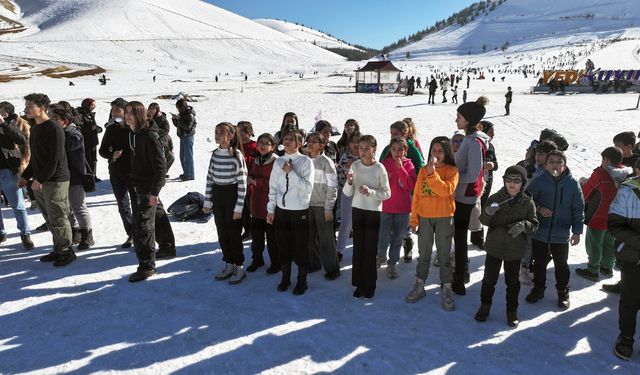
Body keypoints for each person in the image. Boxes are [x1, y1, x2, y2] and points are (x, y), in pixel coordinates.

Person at [475, 165, 539, 327]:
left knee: (512, 282)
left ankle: (512, 311)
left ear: (523, 183)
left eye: (516, 181)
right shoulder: (495, 198)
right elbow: (483, 221)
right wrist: (488, 212)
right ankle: (485, 305)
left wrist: (524, 225)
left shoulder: (527, 203)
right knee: (489, 279)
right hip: (494, 247)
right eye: (508, 180)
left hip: (514, 250)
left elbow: (534, 224)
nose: (512, 184)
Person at [19, 93, 75, 266]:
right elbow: (37, 158)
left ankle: (67, 251)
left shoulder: (54, 128)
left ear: (41, 108)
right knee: (50, 217)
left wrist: (40, 179)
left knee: (58, 217)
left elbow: (55, 158)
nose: (26, 108)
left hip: (56, 180)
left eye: (30, 106)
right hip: (41, 180)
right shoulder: (35, 128)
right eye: (26, 105)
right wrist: (25, 176)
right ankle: (58, 248)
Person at [525, 150, 584, 309]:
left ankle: (563, 291)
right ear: (546, 165)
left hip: (561, 232)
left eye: (559, 162)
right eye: (551, 161)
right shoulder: (540, 181)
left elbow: (578, 208)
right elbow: (527, 199)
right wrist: (540, 208)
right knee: (539, 263)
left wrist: (577, 231)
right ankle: (538, 288)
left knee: (561, 264)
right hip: (541, 231)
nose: (555, 165)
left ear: (565, 165)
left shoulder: (572, 184)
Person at [125, 101, 175, 282]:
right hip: (139, 183)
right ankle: (168, 246)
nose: (127, 116)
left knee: (143, 226)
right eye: (126, 112)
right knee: (158, 216)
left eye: (131, 112)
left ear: (140, 114)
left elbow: (161, 167)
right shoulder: (134, 133)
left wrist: (154, 192)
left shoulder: (149, 136)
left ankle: (146, 266)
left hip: (147, 188)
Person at [406, 136, 458, 308]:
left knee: (444, 255)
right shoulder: (423, 170)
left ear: (447, 153)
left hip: (444, 217)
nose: (436, 154)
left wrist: (432, 174)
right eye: (434, 151)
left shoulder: (452, 170)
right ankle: (420, 284)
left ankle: (447, 288)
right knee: (424, 254)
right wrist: (414, 219)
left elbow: (446, 191)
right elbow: (417, 196)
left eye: (440, 151)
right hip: (425, 218)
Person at [267, 129, 314, 295]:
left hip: (299, 211)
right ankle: (285, 278)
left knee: (300, 248)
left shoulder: (306, 161)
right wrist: (271, 210)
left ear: (299, 143)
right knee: (283, 246)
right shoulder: (278, 161)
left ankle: (302, 281)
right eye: (285, 138)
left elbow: (308, 188)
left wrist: (291, 173)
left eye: (291, 139)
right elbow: (273, 187)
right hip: (281, 211)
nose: (286, 141)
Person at [344, 135, 391, 299]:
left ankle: (369, 285)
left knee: (370, 250)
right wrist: (349, 182)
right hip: (357, 210)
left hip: (373, 212)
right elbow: (347, 192)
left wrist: (371, 192)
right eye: (360, 148)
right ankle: (358, 284)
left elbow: (387, 193)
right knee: (358, 249)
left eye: (366, 148)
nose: (363, 152)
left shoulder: (379, 168)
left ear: (374, 149)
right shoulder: (355, 166)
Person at [575, 147, 631, 281]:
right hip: (616, 217)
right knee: (609, 243)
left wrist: (582, 184)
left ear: (606, 160)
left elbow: (587, 192)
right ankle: (607, 267)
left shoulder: (600, 174)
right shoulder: (625, 173)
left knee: (594, 243)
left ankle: (592, 269)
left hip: (598, 216)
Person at [452, 101, 489, 295]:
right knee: (458, 236)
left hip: (465, 195)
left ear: (468, 120)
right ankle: (460, 270)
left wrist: (452, 179)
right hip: (461, 193)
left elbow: (473, 174)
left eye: (459, 116)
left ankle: (459, 277)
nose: (456, 119)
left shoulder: (474, 142)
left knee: (459, 236)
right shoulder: (469, 138)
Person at [203, 122, 247, 284]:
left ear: (230, 136)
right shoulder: (215, 155)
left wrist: (239, 207)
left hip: (232, 194)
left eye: (221, 132)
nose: (217, 135)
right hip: (217, 194)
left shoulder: (236, 155)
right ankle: (228, 263)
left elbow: (242, 182)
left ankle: (239, 266)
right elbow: (209, 179)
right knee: (222, 232)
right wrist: (207, 201)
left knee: (233, 233)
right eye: (216, 132)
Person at [49, 107, 94, 250]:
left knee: (78, 207)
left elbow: (65, 148)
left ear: (65, 121)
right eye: (51, 117)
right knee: (65, 209)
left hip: (75, 177)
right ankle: (75, 232)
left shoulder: (74, 134)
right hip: (61, 178)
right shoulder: (58, 133)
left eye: (55, 118)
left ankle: (87, 235)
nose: (52, 120)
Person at [609, 159, 640, 360]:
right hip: (633, 256)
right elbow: (615, 226)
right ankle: (626, 337)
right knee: (631, 298)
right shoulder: (627, 192)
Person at [377, 137, 416, 278]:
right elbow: (377, 183)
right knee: (383, 236)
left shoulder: (409, 166)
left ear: (405, 151)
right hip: (385, 207)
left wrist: (401, 170)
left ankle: (392, 263)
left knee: (397, 238)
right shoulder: (384, 164)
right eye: (394, 149)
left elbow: (411, 186)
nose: (397, 152)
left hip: (402, 209)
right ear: (390, 150)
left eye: (400, 149)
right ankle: (380, 256)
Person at [99, 98, 135, 248]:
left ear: (126, 111)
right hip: (116, 171)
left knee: (138, 205)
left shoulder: (134, 129)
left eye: (117, 110)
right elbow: (102, 150)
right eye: (112, 110)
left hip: (134, 172)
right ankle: (131, 234)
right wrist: (111, 154)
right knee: (123, 205)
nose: (114, 114)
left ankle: (142, 234)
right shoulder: (111, 129)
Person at [306, 132, 340, 280]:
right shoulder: (305, 161)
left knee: (326, 238)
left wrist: (328, 207)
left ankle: (332, 268)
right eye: (309, 141)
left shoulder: (326, 162)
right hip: (307, 205)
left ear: (321, 145)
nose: (310, 144)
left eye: (314, 142)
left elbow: (333, 187)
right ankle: (314, 262)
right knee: (308, 237)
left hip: (322, 206)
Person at [0, 101, 34, 249]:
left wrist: (3, 124)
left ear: (6, 114)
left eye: (1, 112)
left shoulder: (10, 124)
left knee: (18, 205)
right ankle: (1, 233)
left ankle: (25, 234)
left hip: (7, 170)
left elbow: (20, 139)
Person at [247, 133, 279, 273]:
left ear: (272, 146)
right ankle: (257, 259)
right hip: (257, 203)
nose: (262, 145)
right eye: (260, 142)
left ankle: (276, 263)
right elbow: (251, 175)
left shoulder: (276, 161)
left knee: (272, 239)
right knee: (257, 237)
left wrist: (257, 182)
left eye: (266, 143)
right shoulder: (255, 159)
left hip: (270, 205)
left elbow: (276, 183)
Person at [470, 121, 498, 250]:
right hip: (474, 180)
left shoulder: (490, 146)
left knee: (481, 206)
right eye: (491, 131)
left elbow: (495, 164)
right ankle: (476, 236)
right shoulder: (475, 144)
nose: (493, 134)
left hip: (486, 181)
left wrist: (491, 164)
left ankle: (477, 237)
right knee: (476, 206)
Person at [336, 131, 361, 261]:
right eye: (353, 141)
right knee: (346, 224)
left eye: (359, 141)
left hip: (364, 198)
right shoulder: (345, 157)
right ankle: (339, 250)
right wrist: (346, 168)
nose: (356, 144)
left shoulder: (367, 158)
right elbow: (339, 179)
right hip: (348, 196)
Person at [238, 121, 257, 241]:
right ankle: (248, 229)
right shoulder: (236, 145)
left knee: (253, 207)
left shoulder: (254, 146)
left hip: (251, 182)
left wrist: (252, 178)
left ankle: (259, 230)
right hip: (239, 182)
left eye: (241, 130)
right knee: (243, 207)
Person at [76, 98, 102, 182]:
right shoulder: (80, 114)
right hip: (86, 141)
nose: (93, 107)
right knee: (87, 159)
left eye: (94, 105)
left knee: (93, 159)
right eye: (92, 105)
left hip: (93, 141)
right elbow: (81, 127)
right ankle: (88, 175)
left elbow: (94, 126)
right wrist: (93, 128)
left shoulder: (90, 114)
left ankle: (93, 175)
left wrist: (98, 129)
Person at [171, 99, 196, 181]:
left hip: (188, 136)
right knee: (183, 156)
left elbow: (187, 127)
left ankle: (190, 174)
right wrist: (174, 119)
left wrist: (179, 119)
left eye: (179, 108)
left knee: (188, 156)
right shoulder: (183, 113)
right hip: (183, 136)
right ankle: (186, 173)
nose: (178, 109)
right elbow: (178, 125)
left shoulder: (189, 114)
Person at [148, 103, 174, 176]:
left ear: (157, 110)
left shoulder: (162, 118)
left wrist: (155, 132)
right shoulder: (147, 118)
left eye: (153, 109)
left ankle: (162, 173)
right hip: (150, 141)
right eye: (150, 108)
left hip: (162, 141)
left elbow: (166, 130)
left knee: (169, 158)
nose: (151, 110)